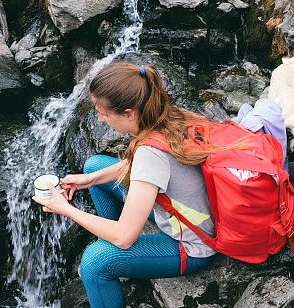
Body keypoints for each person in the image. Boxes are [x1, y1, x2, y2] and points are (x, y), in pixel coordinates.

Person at [33, 60, 219, 308]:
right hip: (182, 209)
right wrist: (89, 180)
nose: (99, 119)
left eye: (104, 113)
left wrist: (65, 209)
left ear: (129, 113)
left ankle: (108, 261)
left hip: (193, 242)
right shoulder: (167, 116)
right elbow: (147, 168)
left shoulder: (149, 153)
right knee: (94, 166)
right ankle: (110, 237)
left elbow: (124, 238)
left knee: (94, 262)